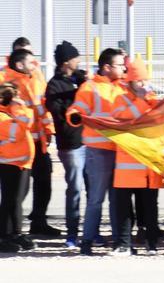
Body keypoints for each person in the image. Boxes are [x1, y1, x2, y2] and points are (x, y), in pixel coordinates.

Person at [67, 47, 128, 256]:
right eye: (120, 65)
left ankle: (120, 241)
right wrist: (75, 116)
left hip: (122, 150)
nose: (124, 68)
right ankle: (87, 241)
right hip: (99, 151)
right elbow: (77, 109)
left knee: (117, 200)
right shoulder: (90, 87)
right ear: (107, 67)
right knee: (96, 199)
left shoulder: (124, 87)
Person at [0, 47, 55, 238]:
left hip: (36, 142)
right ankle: (8, 233)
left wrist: (49, 129)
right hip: (17, 145)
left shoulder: (35, 78)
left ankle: (34, 224)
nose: (35, 64)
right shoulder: (7, 81)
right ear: (19, 64)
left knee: (42, 183)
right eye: (31, 61)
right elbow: (14, 116)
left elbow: (43, 107)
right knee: (15, 194)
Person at [110, 58, 161, 256]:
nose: (143, 84)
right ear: (130, 81)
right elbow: (121, 118)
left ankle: (151, 243)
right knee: (123, 208)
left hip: (148, 163)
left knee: (149, 206)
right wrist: (140, 101)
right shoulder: (120, 99)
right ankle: (123, 244)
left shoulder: (153, 99)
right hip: (126, 165)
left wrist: (147, 101)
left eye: (144, 80)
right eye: (139, 80)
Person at [45, 41, 86, 249]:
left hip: (90, 142)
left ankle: (92, 232)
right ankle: (72, 233)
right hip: (71, 145)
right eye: (75, 57)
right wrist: (76, 101)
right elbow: (58, 113)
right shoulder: (54, 85)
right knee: (75, 188)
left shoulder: (81, 79)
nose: (78, 60)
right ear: (66, 62)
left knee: (93, 191)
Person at [0, 81, 35, 253]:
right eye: (15, 97)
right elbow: (22, 128)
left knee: (16, 200)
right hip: (9, 163)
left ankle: (15, 233)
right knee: (10, 200)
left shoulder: (9, 114)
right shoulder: (3, 116)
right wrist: (20, 107)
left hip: (20, 163)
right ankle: (4, 236)